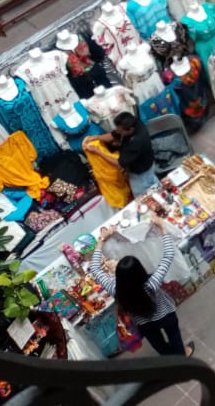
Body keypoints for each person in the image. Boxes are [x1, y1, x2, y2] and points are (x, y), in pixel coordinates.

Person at [88, 215, 194, 356]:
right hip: (165, 315)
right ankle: (182, 356)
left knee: (158, 343)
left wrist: (101, 240)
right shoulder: (151, 284)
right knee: (174, 334)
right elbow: (168, 254)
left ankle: (170, 360)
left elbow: (95, 268)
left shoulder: (116, 290)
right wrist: (163, 227)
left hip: (143, 323)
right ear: (141, 271)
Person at [86, 112, 158, 197]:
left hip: (141, 174)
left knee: (143, 197)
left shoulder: (136, 142)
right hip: (145, 162)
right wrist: (96, 137)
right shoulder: (134, 122)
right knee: (154, 184)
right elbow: (114, 134)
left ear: (130, 130)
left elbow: (119, 163)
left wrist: (97, 151)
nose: (117, 131)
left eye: (120, 130)